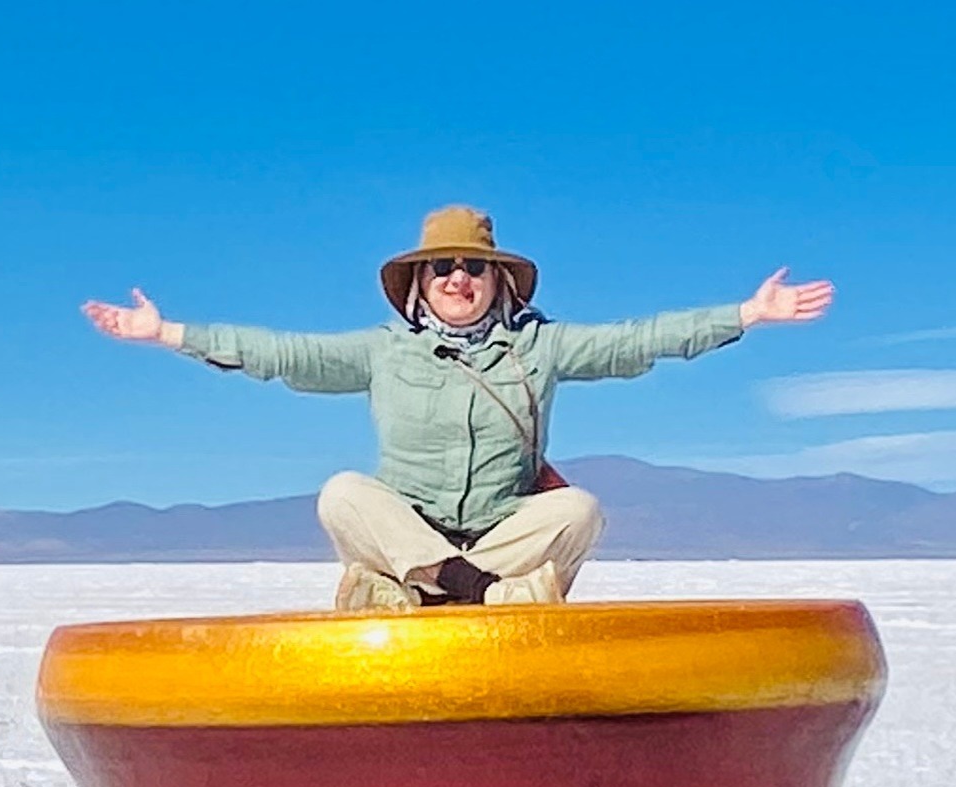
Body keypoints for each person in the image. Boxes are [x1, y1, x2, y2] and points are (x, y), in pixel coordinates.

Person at [83, 206, 832, 610]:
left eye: (473, 266)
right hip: (412, 528)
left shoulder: (539, 348)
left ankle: (422, 591)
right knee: (344, 493)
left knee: (577, 512)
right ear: (418, 283)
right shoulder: (383, 352)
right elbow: (282, 354)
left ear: (498, 281)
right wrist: (170, 333)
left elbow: (639, 341)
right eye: (441, 267)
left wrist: (745, 313)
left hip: (500, 531)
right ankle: (482, 595)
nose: (457, 277)